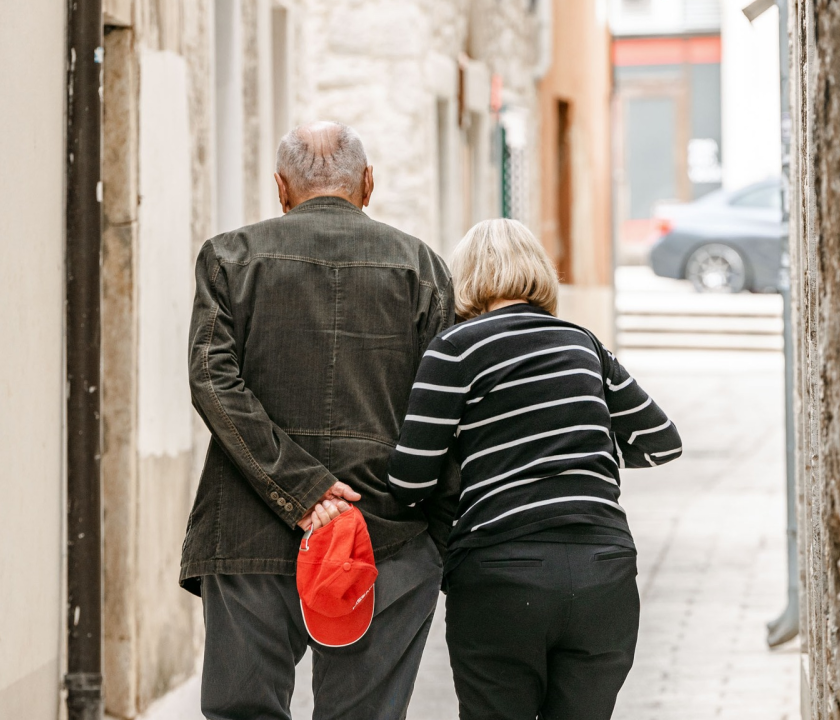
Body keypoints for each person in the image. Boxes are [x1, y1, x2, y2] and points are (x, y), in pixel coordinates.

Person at [181, 121, 457, 720]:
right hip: (387, 534)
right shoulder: (421, 267)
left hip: (249, 533)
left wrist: (301, 491)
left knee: (243, 710)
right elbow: (444, 409)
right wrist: (440, 540)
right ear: (369, 183)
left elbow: (212, 381)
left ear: (281, 188)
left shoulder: (229, 257)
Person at [387, 218, 683, 720]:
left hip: (501, 569)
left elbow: (409, 481)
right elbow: (661, 443)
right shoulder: (582, 344)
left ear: (468, 277)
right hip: (604, 567)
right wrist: (583, 445)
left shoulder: (455, 349)